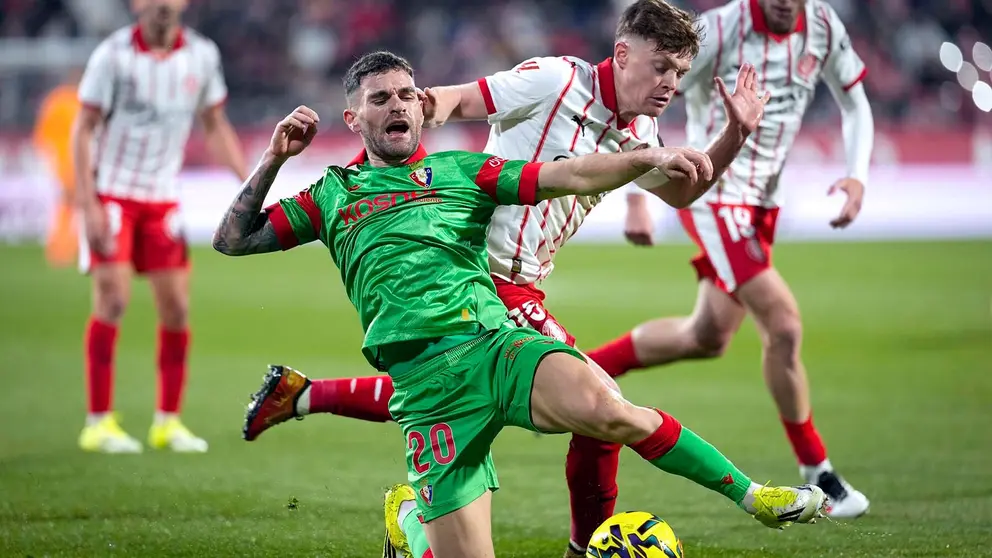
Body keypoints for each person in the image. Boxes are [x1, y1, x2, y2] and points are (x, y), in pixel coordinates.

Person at [216, 50, 826, 558]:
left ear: (419, 108)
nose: (397, 105)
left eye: (405, 95)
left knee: (610, 410)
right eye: (380, 99)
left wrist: (648, 158)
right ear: (353, 119)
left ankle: (755, 498)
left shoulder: (466, 170)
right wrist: (274, 158)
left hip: (496, 347)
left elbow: (570, 176)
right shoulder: (331, 194)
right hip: (426, 393)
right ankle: (410, 524)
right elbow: (232, 240)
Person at [595, 0, 874, 519]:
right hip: (715, 195)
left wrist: (857, 173)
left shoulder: (822, 25)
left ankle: (588, 367)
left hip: (765, 203)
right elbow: (640, 93)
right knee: (784, 325)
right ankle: (821, 475)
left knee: (706, 336)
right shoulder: (721, 30)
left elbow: (854, 99)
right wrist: (637, 194)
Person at [73, 0, 246, 453]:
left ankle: (167, 422)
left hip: (163, 199)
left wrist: (249, 182)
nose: (164, 4)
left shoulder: (202, 55)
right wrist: (87, 204)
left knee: (177, 309)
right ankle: (98, 422)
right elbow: (83, 127)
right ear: (136, 4)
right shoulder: (112, 56)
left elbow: (214, 124)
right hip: (113, 194)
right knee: (113, 300)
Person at [33, 70, 82, 268]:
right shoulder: (71, 101)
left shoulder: (56, 100)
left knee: (70, 204)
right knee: (71, 201)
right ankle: (63, 247)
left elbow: (42, 135)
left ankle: (64, 245)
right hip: (70, 161)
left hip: (65, 161)